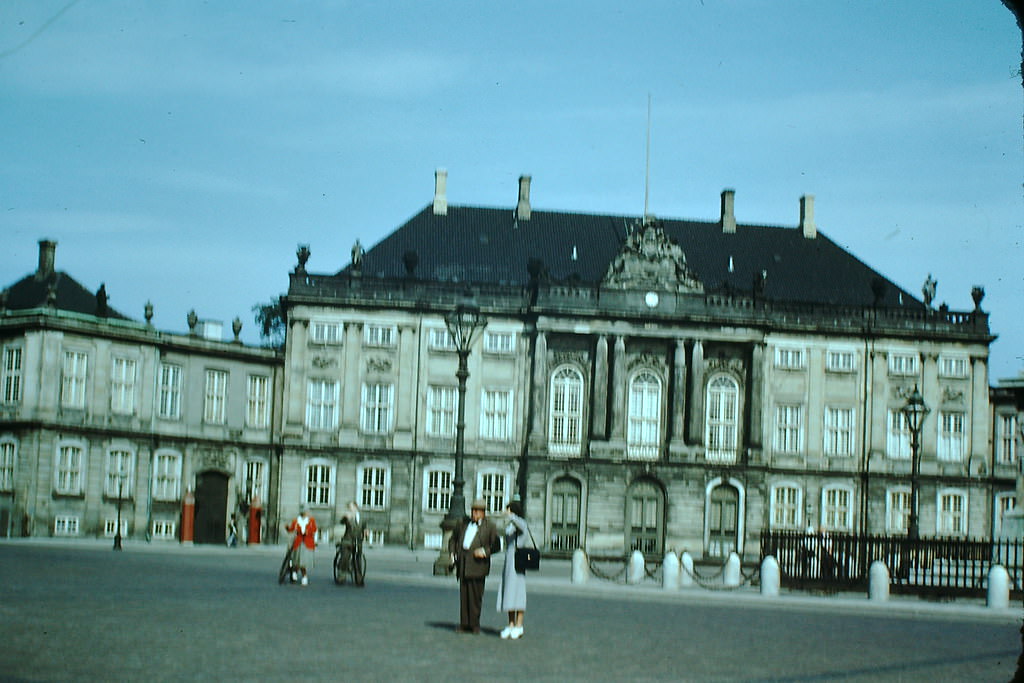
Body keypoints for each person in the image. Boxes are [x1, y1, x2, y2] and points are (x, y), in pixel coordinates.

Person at [448, 498, 500, 634]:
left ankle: (474, 624)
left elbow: (496, 545)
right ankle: (464, 623)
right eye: (473, 510)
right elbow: (453, 539)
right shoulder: (463, 523)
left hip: (478, 565)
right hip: (463, 563)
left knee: (475, 596)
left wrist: (484, 552)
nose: (474, 514)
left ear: (483, 513)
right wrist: (453, 553)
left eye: (477, 511)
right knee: (464, 596)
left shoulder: (490, 526)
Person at [497, 500, 531, 640]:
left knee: (518, 594)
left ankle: (519, 625)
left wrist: (511, 516)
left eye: (508, 509)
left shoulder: (520, 523)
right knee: (509, 593)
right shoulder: (511, 525)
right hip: (509, 562)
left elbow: (522, 526)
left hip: (518, 563)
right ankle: (510, 624)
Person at [284, 504, 317, 585]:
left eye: (306, 511)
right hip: (298, 542)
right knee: (296, 559)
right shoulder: (296, 521)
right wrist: (287, 528)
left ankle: (304, 576)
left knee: (303, 561)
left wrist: (308, 532)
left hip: (307, 542)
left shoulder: (311, 521)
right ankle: (294, 572)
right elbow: (291, 529)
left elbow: (314, 529)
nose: (306, 513)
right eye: (304, 512)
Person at [335, 501, 366, 577]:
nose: (350, 509)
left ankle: (359, 575)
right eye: (349, 508)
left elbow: (364, 527)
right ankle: (342, 572)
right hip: (347, 539)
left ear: (356, 507)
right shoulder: (348, 516)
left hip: (358, 540)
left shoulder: (361, 517)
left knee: (358, 557)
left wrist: (365, 532)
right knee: (345, 555)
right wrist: (345, 518)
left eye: (351, 507)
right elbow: (342, 522)